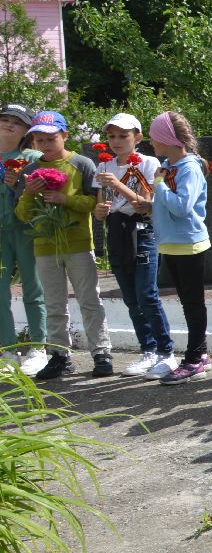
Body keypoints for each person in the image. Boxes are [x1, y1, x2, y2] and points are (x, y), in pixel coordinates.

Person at [100, 111, 212, 384]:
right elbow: (167, 205)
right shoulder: (168, 165)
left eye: (154, 137)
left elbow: (182, 207)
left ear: (168, 138)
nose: (151, 142)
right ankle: (201, 354)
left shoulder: (188, 167)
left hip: (189, 243)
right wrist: (149, 206)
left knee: (193, 304)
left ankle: (194, 358)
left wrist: (159, 184)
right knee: (187, 302)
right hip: (172, 243)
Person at [15, 110, 112, 378]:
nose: (45, 144)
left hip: (78, 243)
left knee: (89, 300)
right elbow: (22, 214)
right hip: (45, 246)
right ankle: (59, 355)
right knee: (54, 304)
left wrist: (64, 199)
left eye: (51, 138)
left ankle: (101, 352)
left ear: (65, 135)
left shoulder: (82, 163)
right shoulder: (30, 170)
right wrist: (29, 195)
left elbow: (93, 203)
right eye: (39, 140)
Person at [92, 114, 175, 377]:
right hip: (117, 231)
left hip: (142, 230)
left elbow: (144, 203)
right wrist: (100, 210)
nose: (116, 141)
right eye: (111, 136)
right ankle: (147, 350)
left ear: (137, 137)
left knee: (146, 295)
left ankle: (165, 351)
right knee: (130, 298)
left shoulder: (148, 162)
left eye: (123, 135)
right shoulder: (104, 165)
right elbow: (100, 205)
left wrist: (117, 184)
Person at [1, 103, 48, 374]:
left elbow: (45, 192)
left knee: (33, 288)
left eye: (17, 122)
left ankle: (38, 347)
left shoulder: (34, 157)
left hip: (27, 229)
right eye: (5, 119)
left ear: (26, 132)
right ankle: (7, 349)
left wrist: (17, 183)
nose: (9, 124)